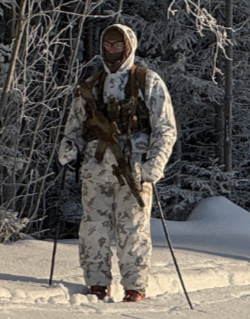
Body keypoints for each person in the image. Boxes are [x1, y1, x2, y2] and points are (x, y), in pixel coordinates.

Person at [59, 23, 177, 303]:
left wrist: (154, 165)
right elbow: (75, 126)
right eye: (108, 45)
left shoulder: (148, 81)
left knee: (133, 230)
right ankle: (97, 284)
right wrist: (69, 147)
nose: (113, 50)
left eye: (118, 45)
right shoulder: (89, 85)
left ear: (129, 46)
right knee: (93, 228)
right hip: (95, 168)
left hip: (134, 169)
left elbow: (166, 128)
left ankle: (135, 286)